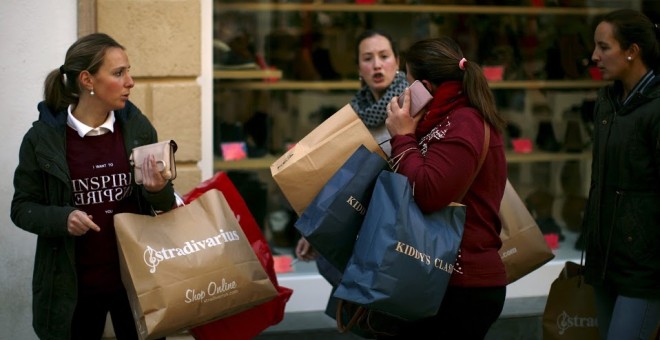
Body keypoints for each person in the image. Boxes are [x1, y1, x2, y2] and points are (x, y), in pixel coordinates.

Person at [10, 33, 175, 340]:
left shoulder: (138, 129)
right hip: (73, 288)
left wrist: (156, 190)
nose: (130, 82)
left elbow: (165, 204)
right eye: (118, 73)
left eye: (128, 70)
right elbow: (22, 208)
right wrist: (62, 218)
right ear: (87, 80)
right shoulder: (42, 140)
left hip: (137, 284)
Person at [383, 36, 509, 339]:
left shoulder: (463, 122)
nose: (405, 92)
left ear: (425, 87)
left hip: (462, 287)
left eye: (408, 83)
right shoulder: (446, 119)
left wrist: (403, 136)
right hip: (438, 278)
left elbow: (429, 193)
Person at [295, 29, 407, 263]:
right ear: (358, 68)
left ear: (397, 61)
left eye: (384, 56)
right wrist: (315, 227)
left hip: (402, 222)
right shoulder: (354, 114)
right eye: (368, 59)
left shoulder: (410, 105)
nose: (377, 65)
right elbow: (345, 175)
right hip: (363, 221)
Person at [584, 9, 660, 340]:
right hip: (605, 260)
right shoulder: (607, 101)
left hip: (644, 269)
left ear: (632, 50)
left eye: (604, 47)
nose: (594, 56)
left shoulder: (655, 107)